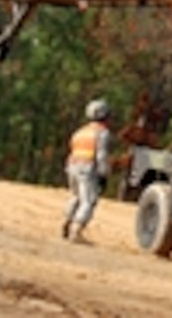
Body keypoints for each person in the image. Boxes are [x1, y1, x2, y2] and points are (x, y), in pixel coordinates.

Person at [62, 98, 112, 244]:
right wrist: (104, 174)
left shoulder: (80, 132)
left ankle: (67, 221)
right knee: (88, 200)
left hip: (72, 167)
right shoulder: (102, 133)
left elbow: (71, 152)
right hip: (87, 169)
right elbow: (101, 155)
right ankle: (76, 231)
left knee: (75, 197)